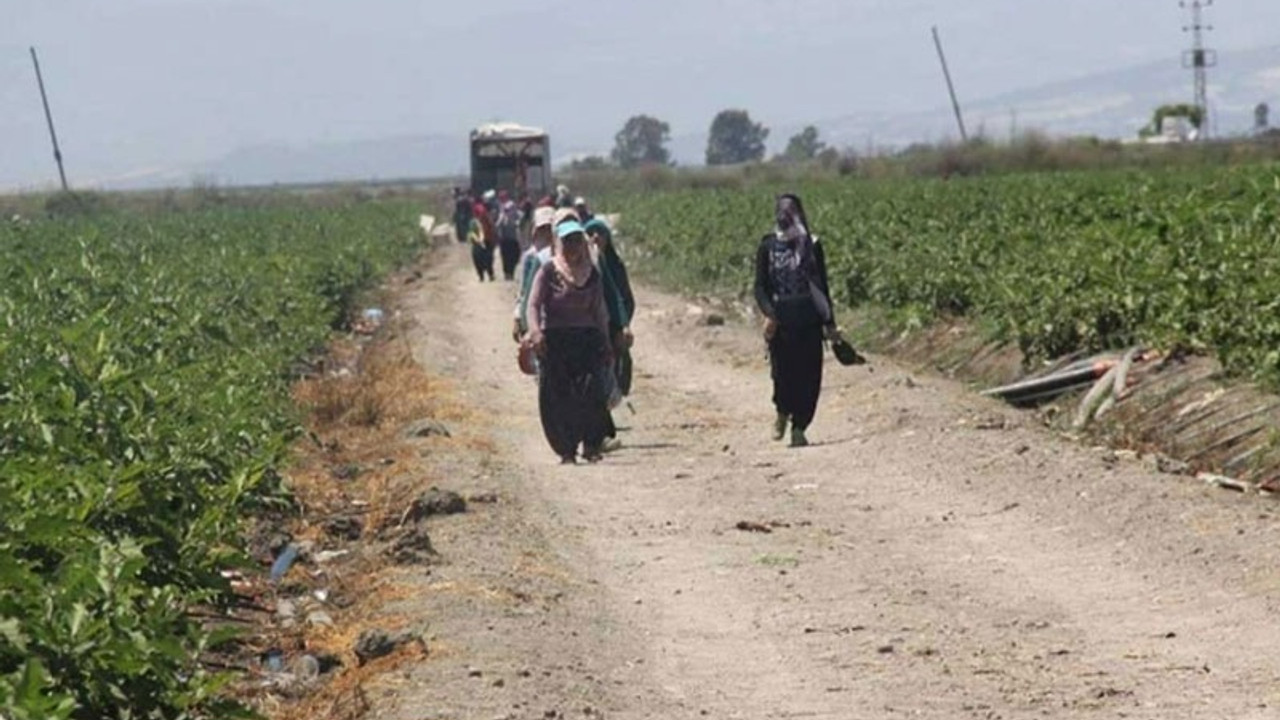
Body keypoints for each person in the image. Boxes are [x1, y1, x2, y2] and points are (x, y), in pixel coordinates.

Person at [753, 193, 840, 448]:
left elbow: (821, 286)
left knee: (809, 377)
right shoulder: (768, 247)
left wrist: (830, 323)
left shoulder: (812, 245)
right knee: (783, 376)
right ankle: (782, 412)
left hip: (810, 321)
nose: (786, 217)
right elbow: (760, 287)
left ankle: (799, 427)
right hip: (781, 324)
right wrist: (770, 314)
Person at [525, 221, 613, 464]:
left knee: (592, 393)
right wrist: (535, 332)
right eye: (567, 241)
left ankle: (592, 445)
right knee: (558, 396)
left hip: (586, 340)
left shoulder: (592, 274)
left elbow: (599, 311)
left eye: (577, 240)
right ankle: (566, 449)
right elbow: (532, 305)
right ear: (559, 244)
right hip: (555, 340)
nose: (573, 247)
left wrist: (606, 343)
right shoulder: (548, 271)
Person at [584, 218, 635, 450]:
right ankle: (600, 426)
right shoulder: (582, 264)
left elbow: (622, 298)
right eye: (590, 233)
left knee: (612, 373)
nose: (595, 237)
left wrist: (622, 325)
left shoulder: (612, 264)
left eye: (600, 233)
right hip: (587, 328)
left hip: (611, 328)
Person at [512, 206, 557, 343]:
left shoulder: (567, 255)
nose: (547, 234)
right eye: (542, 229)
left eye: (549, 228)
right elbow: (524, 290)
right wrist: (518, 317)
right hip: (536, 317)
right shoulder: (531, 257)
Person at [496, 191, 522, 281]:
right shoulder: (502, 210)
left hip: (512, 237)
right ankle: (507, 273)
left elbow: (519, 219)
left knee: (512, 256)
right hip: (504, 238)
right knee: (505, 256)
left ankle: (510, 272)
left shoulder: (512, 207)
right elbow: (499, 223)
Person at [469, 199, 497, 282]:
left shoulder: (486, 220)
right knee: (481, 260)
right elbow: (471, 233)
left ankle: (489, 275)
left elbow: (492, 230)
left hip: (486, 242)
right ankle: (483, 276)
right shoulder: (474, 222)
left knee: (487, 260)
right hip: (480, 243)